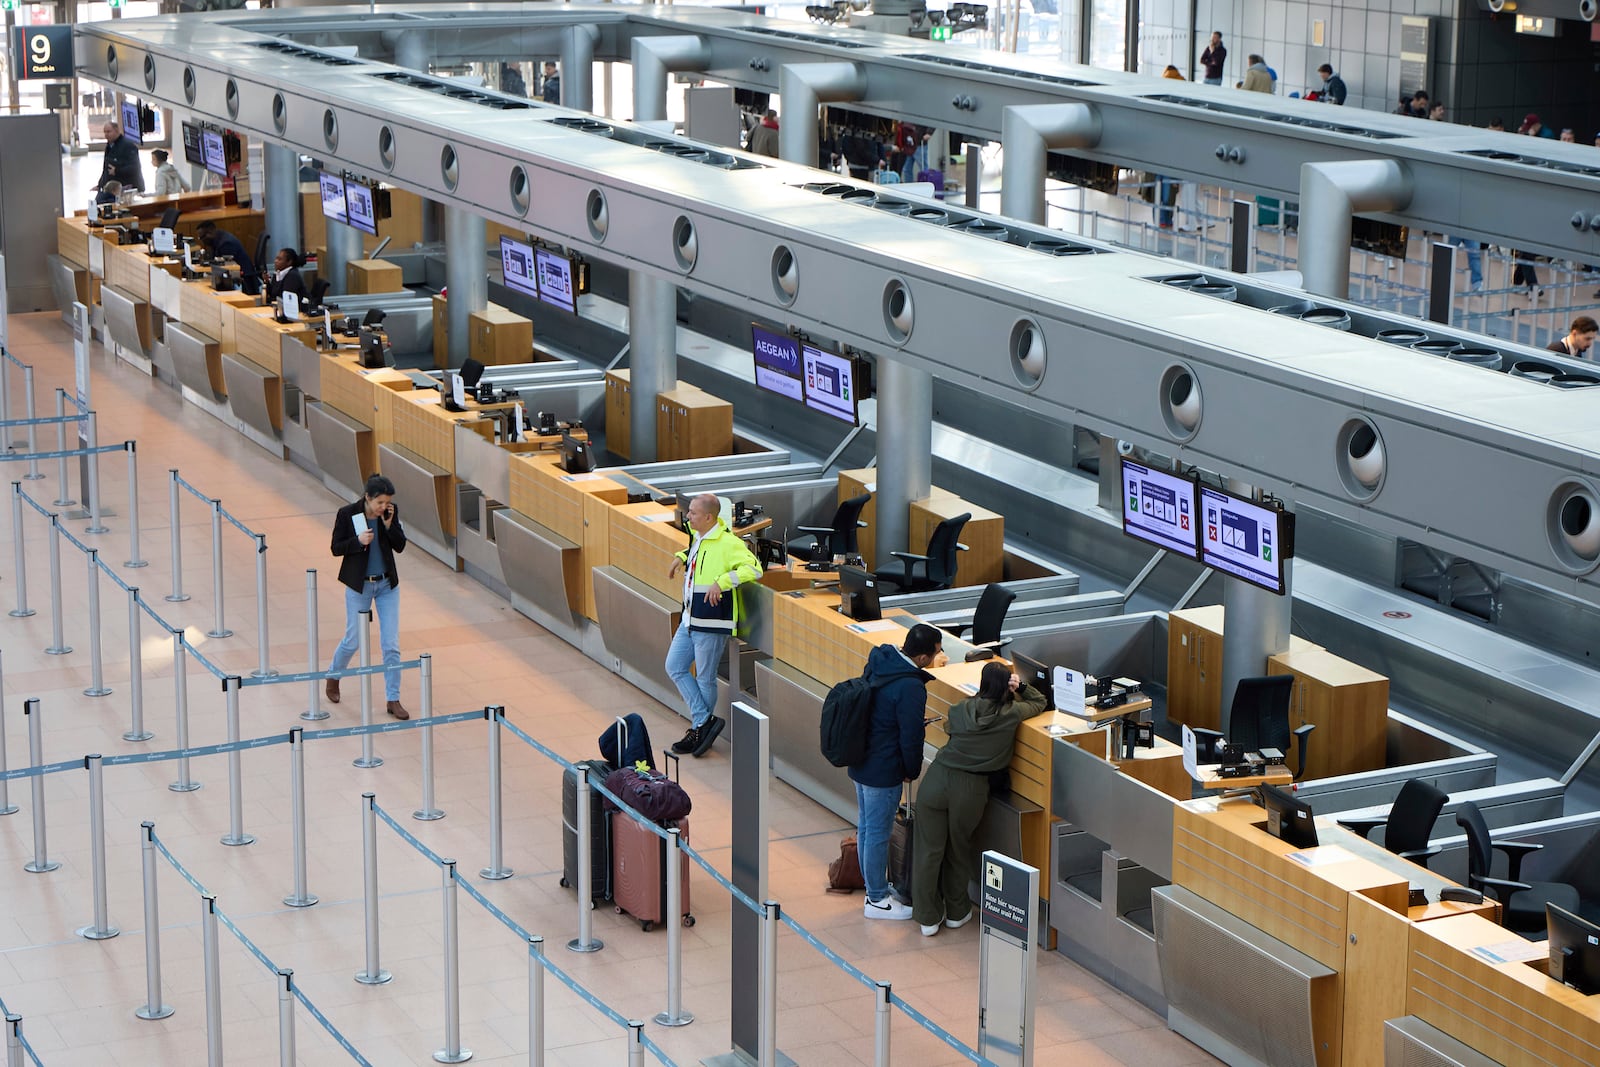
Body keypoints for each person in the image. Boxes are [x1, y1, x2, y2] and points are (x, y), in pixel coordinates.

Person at [912, 661, 1045, 935]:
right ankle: (957, 912)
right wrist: (1021, 687)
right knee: (958, 848)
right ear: (1005, 685)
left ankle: (927, 918)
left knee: (929, 850)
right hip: (971, 787)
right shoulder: (1012, 713)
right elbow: (1040, 702)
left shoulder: (960, 709)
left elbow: (951, 728)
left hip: (937, 778)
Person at [852, 623, 944, 920]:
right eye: (937, 651)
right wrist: (911, 769)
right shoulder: (911, 686)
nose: (940, 656)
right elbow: (910, 735)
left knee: (867, 827)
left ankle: (873, 887)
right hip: (884, 767)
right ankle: (877, 899)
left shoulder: (881, 662)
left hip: (862, 757)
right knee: (878, 833)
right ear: (922, 658)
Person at [664, 493, 762, 758]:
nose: (688, 516)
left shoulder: (728, 543)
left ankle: (699, 729)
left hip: (711, 620)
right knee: (674, 666)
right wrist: (681, 557)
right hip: (690, 617)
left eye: (693, 513)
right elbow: (699, 554)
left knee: (705, 677)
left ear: (709, 517)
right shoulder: (700, 537)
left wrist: (723, 581)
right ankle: (703, 722)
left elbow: (754, 568)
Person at [326, 474, 409, 719]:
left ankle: (393, 698)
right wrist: (358, 541)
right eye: (380, 502)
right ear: (368, 498)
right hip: (359, 586)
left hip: (386, 586)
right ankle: (333, 675)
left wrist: (387, 526)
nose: (384, 507)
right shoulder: (348, 514)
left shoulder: (389, 514)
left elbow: (400, 545)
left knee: (391, 644)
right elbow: (335, 548)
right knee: (353, 639)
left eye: (387, 502)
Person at [195, 221, 259, 295]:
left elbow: (225, 268)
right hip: (234, 277)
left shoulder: (226, 244)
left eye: (202, 237)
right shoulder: (217, 239)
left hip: (244, 282)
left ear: (211, 231)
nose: (202, 240)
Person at [98, 121, 145, 193]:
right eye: (105, 132)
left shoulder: (128, 146)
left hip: (128, 188)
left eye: (108, 132)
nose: (106, 135)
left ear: (117, 131)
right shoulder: (109, 146)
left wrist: (117, 171)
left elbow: (135, 167)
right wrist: (101, 184)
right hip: (114, 189)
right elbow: (106, 168)